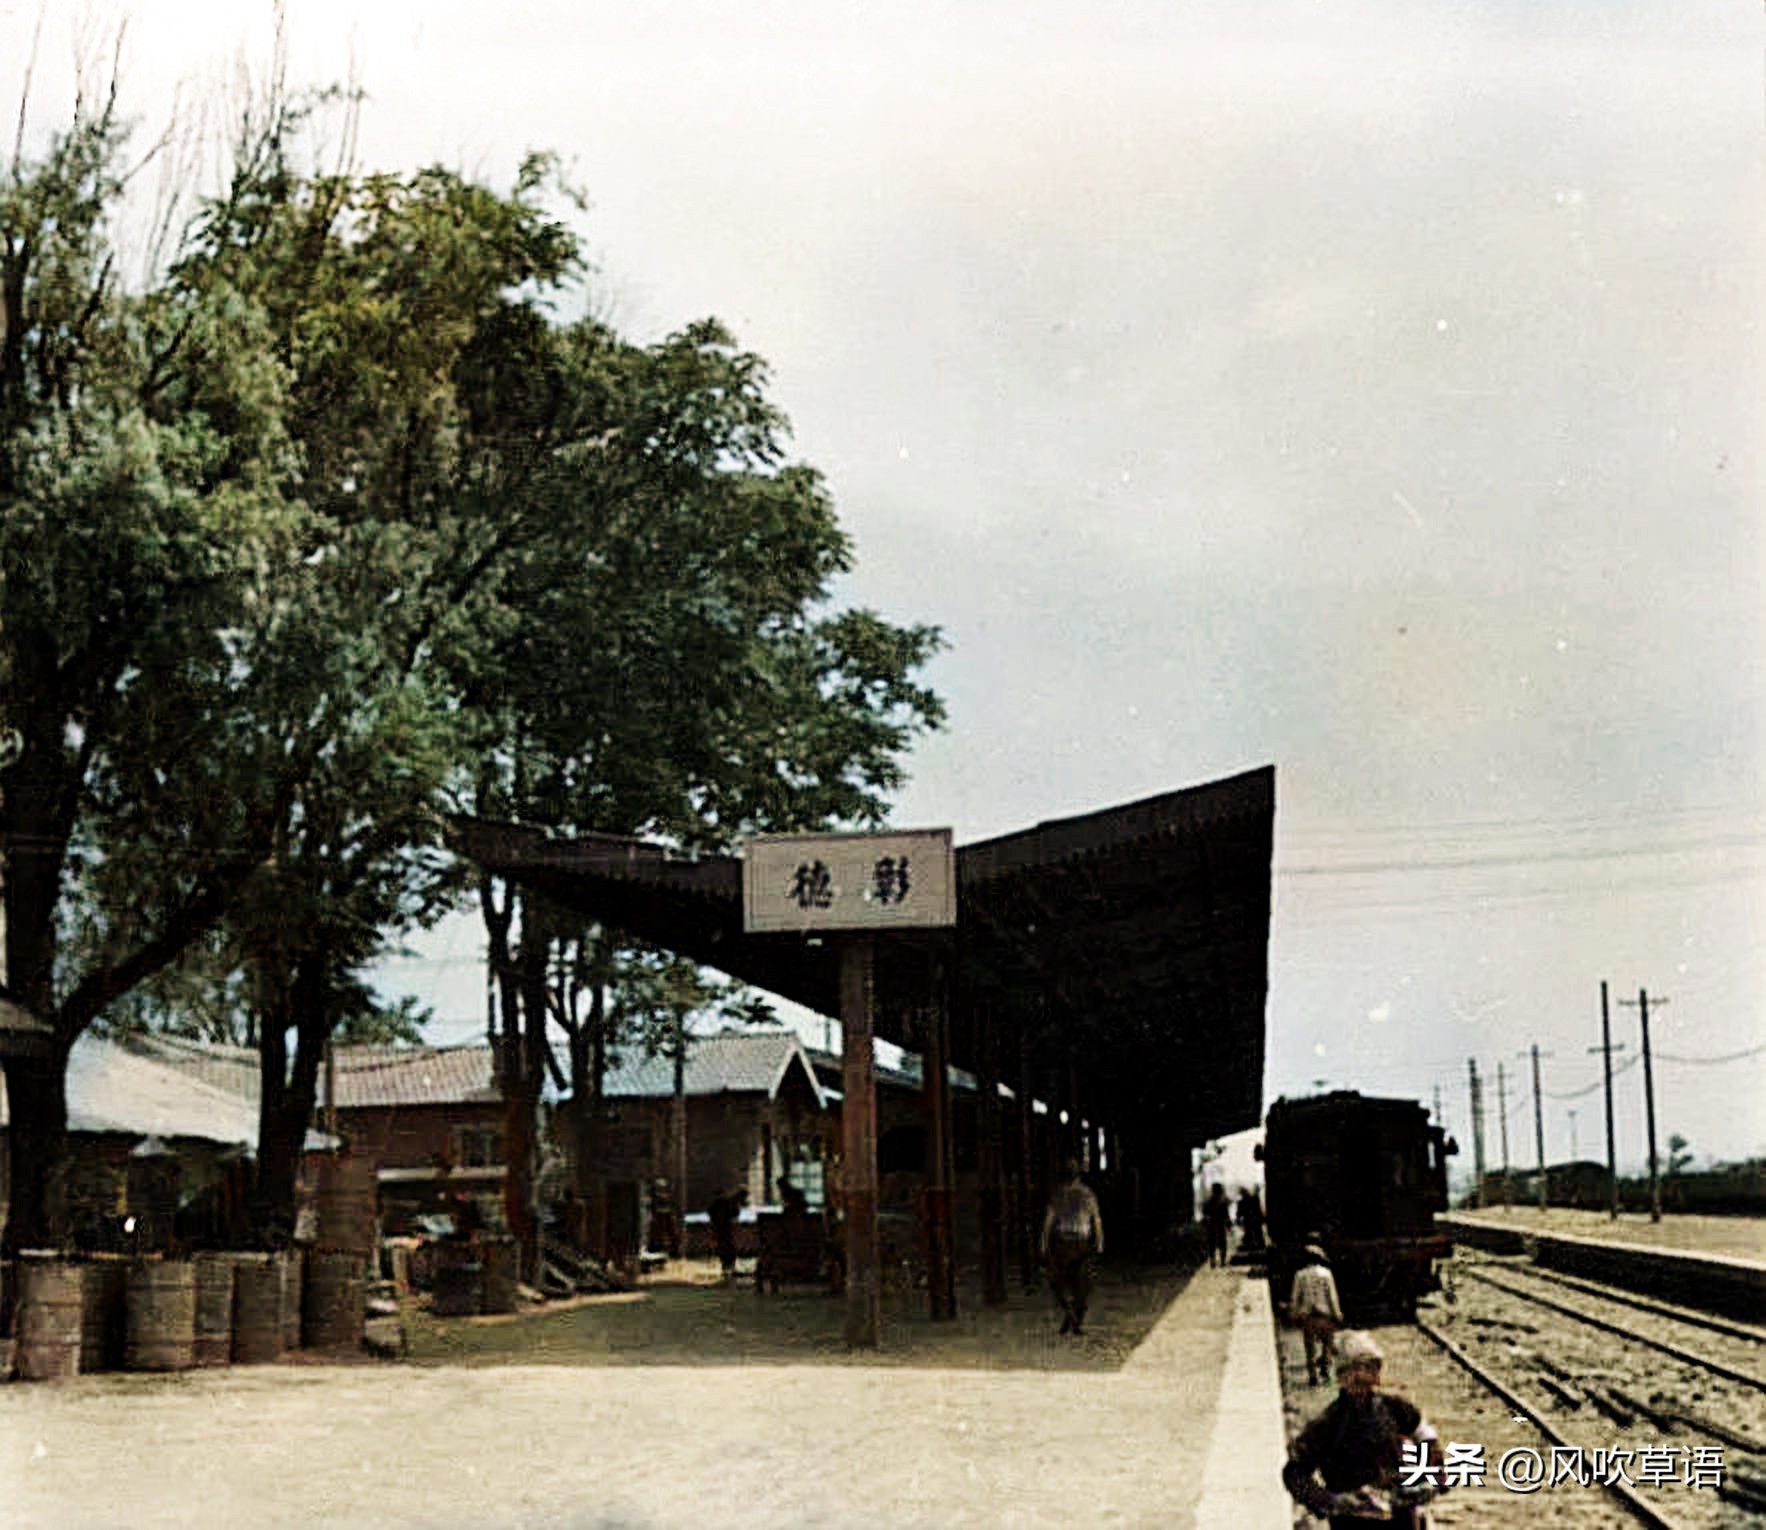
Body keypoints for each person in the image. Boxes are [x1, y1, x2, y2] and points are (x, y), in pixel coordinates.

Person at [1283, 1331, 1441, 1527]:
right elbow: (1295, 1474)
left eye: (1372, 1369)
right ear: (1343, 1376)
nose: (1366, 1377)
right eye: (1359, 1369)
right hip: (1352, 1521)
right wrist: (1331, 1501)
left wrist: (1429, 1479)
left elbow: (1426, 1436)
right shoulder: (1328, 1423)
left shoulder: (1395, 1408)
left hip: (1399, 1515)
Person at [1041, 1157, 1104, 1335]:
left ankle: (1070, 1315)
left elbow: (1048, 1222)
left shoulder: (1057, 1195)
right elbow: (1096, 1220)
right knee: (1082, 1285)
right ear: (1079, 1175)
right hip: (1082, 1242)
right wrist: (1099, 1243)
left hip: (1062, 1243)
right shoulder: (1088, 1194)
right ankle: (1075, 1320)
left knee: (1058, 1283)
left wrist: (1044, 1245)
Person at [1289, 1238, 1344, 1385]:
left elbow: (1295, 1297)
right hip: (1325, 1315)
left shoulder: (1299, 1275)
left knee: (1309, 1346)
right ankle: (1325, 1369)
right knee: (1327, 1343)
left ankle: (1312, 1375)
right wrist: (1337, 1314)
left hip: (1308, 1317)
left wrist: (1293, 1313)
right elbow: (1332, 1297)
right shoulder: (1326, 1274)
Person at [707, 1187, 746, 1280]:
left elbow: (710, 1212)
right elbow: (734, 1214)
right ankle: (729, 1268)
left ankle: (726, 1268)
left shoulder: (722, 1202)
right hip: (725, 1229)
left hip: (720, 1229)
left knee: (725, 1248)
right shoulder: (728, 1202)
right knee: (729, 1249)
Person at [1202, 1182, 1232, 1268]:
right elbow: (1226, 1215)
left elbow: (1205, 1213)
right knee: (1222, 1243)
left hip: (1212, 1225)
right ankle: (1222, 1261)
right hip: (1219, 1225)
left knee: (1212, 1244)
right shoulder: (1222, 1202)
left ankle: (1213, 1261)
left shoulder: (1208, 1201)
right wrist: (1229, 1225)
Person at [1236, 1186, 1266, 1253]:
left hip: (1254, 1220)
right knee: (1251, 1234)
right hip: (1250, 1220)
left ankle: (1259, 1246)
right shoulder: (1242, 1202)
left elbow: (1258, 1210)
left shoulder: (1253, 1199)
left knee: (1257, 1234)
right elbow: (1239, 1213)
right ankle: (1254, 1246)